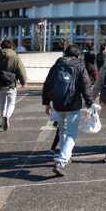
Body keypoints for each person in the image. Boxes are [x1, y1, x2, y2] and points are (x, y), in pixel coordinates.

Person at [43, 45, 94, 176]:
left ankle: (65, 155)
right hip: (73, 104)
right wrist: (90, 103)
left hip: (58, 104)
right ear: (77, 56)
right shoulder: (79, 66)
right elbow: (85, 86)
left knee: (63, 130)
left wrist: (46, 103)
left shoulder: (57, 65)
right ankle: (61, 161)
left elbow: (47, 84)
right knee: (71, 133)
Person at [0, 39, 27, 131]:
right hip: (11, 83)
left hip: (0, 84)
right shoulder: (15, 58)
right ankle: (7, 115)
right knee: (11, 102)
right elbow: (21, 71)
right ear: (11, 47)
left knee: (2, 103)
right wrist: (23, 82)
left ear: (1, 47)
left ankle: (3, 120)